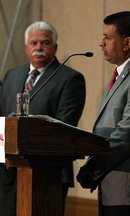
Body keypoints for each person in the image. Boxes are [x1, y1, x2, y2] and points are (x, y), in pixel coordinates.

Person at [0, 21, 86, 216]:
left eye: (45, 42)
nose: (39, 48)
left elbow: (63, 127)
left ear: (55, 47)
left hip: (47, 175)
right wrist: (5, 155)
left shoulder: (70, 79)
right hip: (9, 172)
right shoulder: (12, 76)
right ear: (26, 48)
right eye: (33, 43)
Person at [77, 11, 130, 216]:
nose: (102, 43)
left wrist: (94, 165)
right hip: (110, 184)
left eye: (108, 37)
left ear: (126, 43)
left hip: (124, 187)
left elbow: (126, 135)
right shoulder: (119, 75)